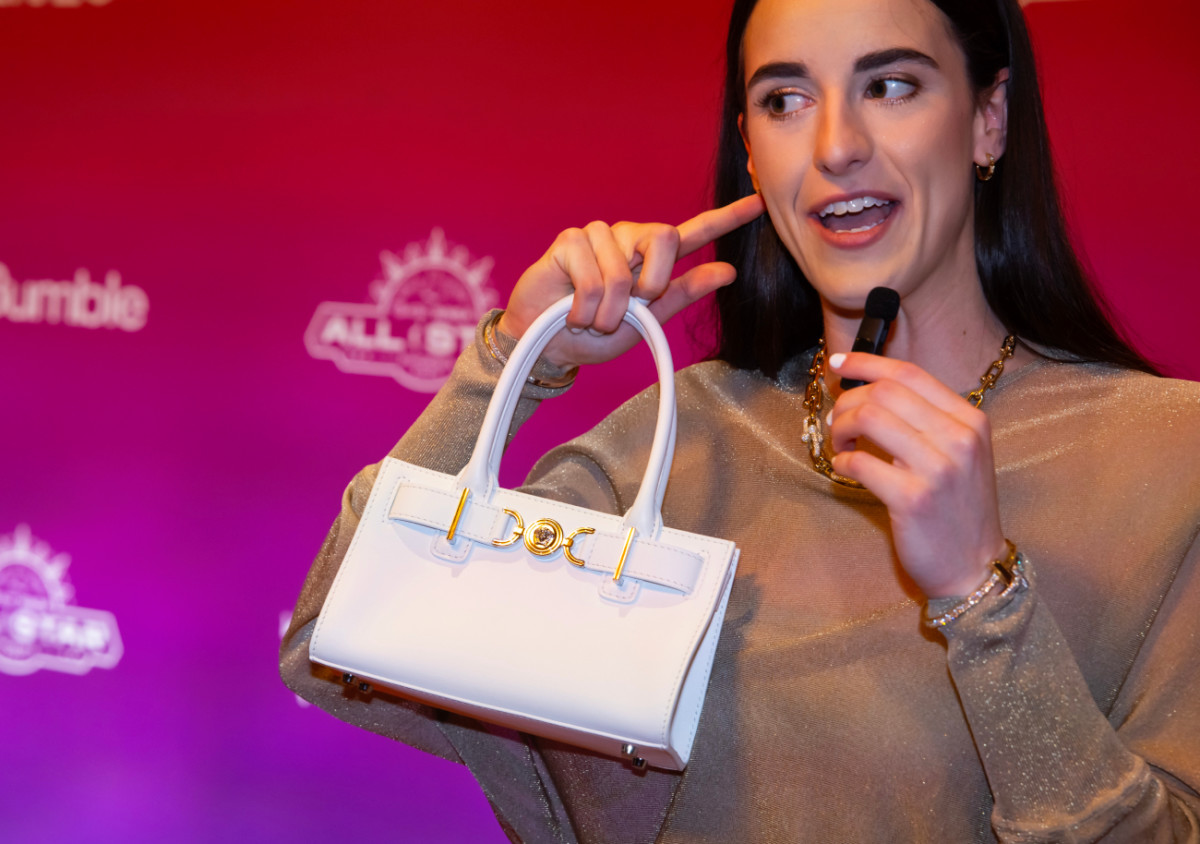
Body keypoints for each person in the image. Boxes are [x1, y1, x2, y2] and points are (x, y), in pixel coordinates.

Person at [281, 0, 1200, 840]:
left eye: (889, 85)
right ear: (753, 151)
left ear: (988, 119)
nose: (836, 144)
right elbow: (333, 639)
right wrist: (517, 357)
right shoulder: (674, 449)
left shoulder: (1167, 460)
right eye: (786, 99)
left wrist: (982, 596)